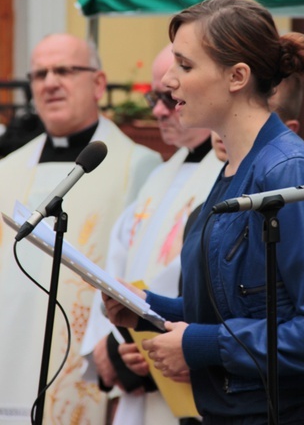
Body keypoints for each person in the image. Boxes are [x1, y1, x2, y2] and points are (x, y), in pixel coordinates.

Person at [103, 0, 304, 425]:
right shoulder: (234, 164)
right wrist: (150, 310)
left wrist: (202, 346)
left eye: (185, 65)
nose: (169, 81)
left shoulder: (286, 170)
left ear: (237, 76)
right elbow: (236, 309)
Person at [0, 33, 162, 425]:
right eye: (39, 74)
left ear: (99, 83)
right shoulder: (6, 168)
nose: (50, 82)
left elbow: (141, 270)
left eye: (64, 70)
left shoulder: (137, 165)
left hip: (87, 366)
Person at [81, 43, 223, 425]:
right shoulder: (161, 172)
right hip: (137, 363)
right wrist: (110, 344)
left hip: (185, 375)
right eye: (153, 98)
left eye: (169, 97)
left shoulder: (226, 172)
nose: (159, 110)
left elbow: (191, 275)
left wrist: (133, 339)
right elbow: (117, 263)